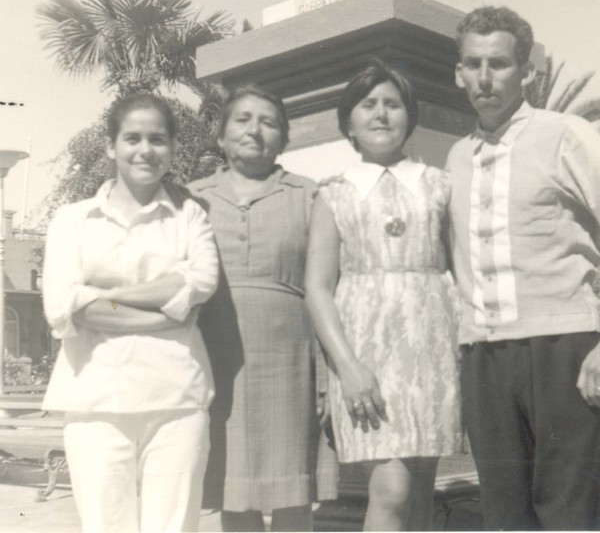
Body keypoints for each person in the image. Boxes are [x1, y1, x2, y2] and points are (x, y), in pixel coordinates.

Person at [446, 5, 600, 530]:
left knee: (568, 512)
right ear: (458, 71)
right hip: (485, 355)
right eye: (473, 64)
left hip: (565, 348)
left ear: (528, 71)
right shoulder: (455, 158)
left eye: (500, 63)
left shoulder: (567, 135)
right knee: (504, 514)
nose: (485, 78)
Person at [41, 94, 219, 533]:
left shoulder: (189, 216)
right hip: (95, 399)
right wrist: (161, 316)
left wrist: (105, 296)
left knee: (174, 527)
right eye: (132, 138)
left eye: (158, 139)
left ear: (172, 149)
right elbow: (63, 306)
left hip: (178, 397)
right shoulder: (73, 220)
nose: (146, 150)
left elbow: (199, 282)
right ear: (110, 146)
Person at [305, 60, 461, 531]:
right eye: (367, 104)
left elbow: (459, 266)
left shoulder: (439, 185)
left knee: (419, 491)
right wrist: (347, 368)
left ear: (409, 116)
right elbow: (317, 287)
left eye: (392, 104)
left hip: (433, 349)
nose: (380, 113)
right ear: (348, 122)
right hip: (365, 356)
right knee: (390, 490)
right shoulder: (334, 194)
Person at [187, 85, 337, 532]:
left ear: (284, 139)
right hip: (217, 359)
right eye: (243, 119)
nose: (255, 130)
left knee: (293, 495)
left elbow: (328, 288)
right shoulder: (190, 198)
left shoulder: (311, 196)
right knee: (235, 494)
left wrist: (328, 375)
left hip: (290, 359)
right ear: (220, 135)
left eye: (268, 122)